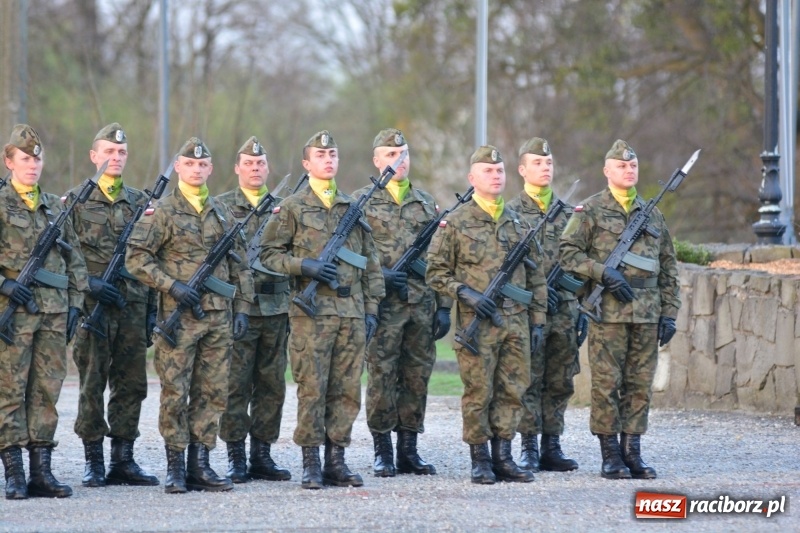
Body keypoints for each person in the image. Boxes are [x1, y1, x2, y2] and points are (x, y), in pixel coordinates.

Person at [126, 137, 254, 493]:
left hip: (218, 319)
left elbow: (241, 267)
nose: (197, 169)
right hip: (178, 321)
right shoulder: (163, 212)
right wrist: (171, 286)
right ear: (179, 167)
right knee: (175, 392)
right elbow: (136, 259)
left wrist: (242, 308)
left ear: (211, 169)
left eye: (203, 164)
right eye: (190, 164)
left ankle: (201, 463)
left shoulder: (223, 212)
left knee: (212, 393)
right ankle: (176, 466)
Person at [260, 130, 384, 489]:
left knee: (346, 390)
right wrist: (304, 266)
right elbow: (267, 254)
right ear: (306, 163)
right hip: (310, 315)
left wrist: (372, 308)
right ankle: (311, 461)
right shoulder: (293, 208)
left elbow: (370, 264)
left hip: (351, 312)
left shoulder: (351, 207)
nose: (328, 160)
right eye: (320, 155)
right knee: (312, 387)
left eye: (333, 154)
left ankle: (336, 460)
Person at [425, 145, 547, 485]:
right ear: (472, 178)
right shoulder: (456, 222)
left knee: (513, 389)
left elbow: (536, 277)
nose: (496, 176)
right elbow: (434, 272)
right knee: (479, 391)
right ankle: (480, 457)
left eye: (500, 171)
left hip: (516, 321)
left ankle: (503, 456)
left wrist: (538, 321)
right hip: (476, 325)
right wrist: (465, 293)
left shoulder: (518, 221)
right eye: (488, 171)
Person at [559, 139, 680, 480]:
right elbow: (566, 253)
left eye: (633, 165)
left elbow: (668, 267)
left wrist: (669, 312)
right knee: (607, 384)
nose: (629, 170)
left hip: (646, 312)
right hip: (608, 312)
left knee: (640, 384)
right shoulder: (590, 210)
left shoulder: (653, 213)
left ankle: (633, 451)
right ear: (607, 171)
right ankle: (610, 453)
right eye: (622, 166)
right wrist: (602, 273)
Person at [355, 128, 451, 478]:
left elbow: (439, 259)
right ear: (377, 160)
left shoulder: (426, 203)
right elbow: (349, 256)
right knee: (382, 375)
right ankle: (382, 450)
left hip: (421, 304)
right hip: (383, 306)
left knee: (417, 376)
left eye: (404, 154)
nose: (399, 161)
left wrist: (442, 306)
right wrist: (379, 275)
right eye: (391, 155)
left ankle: (409, 449)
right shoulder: (360, 202)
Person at [68, 123, 159, 488]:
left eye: (121, 152)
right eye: (108, 151)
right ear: (94, 156)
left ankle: (123, 459)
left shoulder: (142, 203)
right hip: (93, 309)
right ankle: (93, 460)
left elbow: (153, 258)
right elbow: (62, 255)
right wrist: (89, 283)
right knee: (92, 383)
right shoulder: (75, 201)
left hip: (133, 306)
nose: (115, 157)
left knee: (132, 384)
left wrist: (152, 309)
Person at [0, 124, 88, 499]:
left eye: (37, 159)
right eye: (25, 159)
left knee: (47, 390)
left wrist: (76, 305)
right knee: (10, 390)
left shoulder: (55, 206)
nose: (32, 165)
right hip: (12, 314)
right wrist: (4, 284)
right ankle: (15, 474)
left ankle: (42, 471)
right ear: (9, 161)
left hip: (53, 313)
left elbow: (77, 261)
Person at [217, 136, 291, 483]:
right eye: (248, 163)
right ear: (237, 169)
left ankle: (262, 454)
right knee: (236, 385)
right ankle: (235, 456)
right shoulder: (221, 207)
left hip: (276, 308)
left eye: (260, 163)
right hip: (237, 309)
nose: (255, 168)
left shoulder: (284, 208)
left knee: (272, 385)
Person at [507, 137, 583, 473]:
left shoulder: (570, 215)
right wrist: (535, 292)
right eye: (537, 163)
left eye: (549, 163)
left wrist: (580, 305)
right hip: (528, 312)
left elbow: (583, 262)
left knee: (560, 379)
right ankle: (528, 446)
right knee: (529, 378)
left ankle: (552, 444)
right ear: (523, 170)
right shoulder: (510, 214)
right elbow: (505, 266)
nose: (545, 168)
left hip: (565, 310)